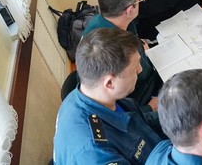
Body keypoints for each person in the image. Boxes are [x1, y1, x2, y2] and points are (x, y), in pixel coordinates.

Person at [53, 28, 167, 164]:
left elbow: (137, 123)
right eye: (135, 67)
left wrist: (180, 113)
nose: (140, 69)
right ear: (109, 83)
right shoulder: (93, 154)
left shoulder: (90, 94)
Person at [82, 0, 163, 112]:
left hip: (150, 79)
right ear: (129, 10)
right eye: (139, 0)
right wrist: (149, 109)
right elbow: (111, 109)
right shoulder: (107, 49)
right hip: (143, 102)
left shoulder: (109, 19)